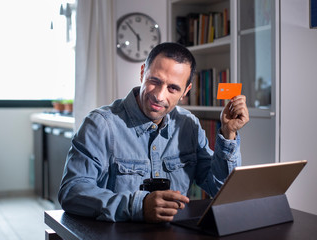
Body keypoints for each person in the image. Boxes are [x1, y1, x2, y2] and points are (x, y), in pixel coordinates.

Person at [58, 42, 249, 223]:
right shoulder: (100, 125)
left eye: (173, 88)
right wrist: (138, 206)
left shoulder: (189, 126)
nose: (159, 96)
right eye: (154, 81)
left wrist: (228, 134)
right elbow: (72, 192)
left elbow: (220, 189)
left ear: (186, 91)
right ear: (142, 73)